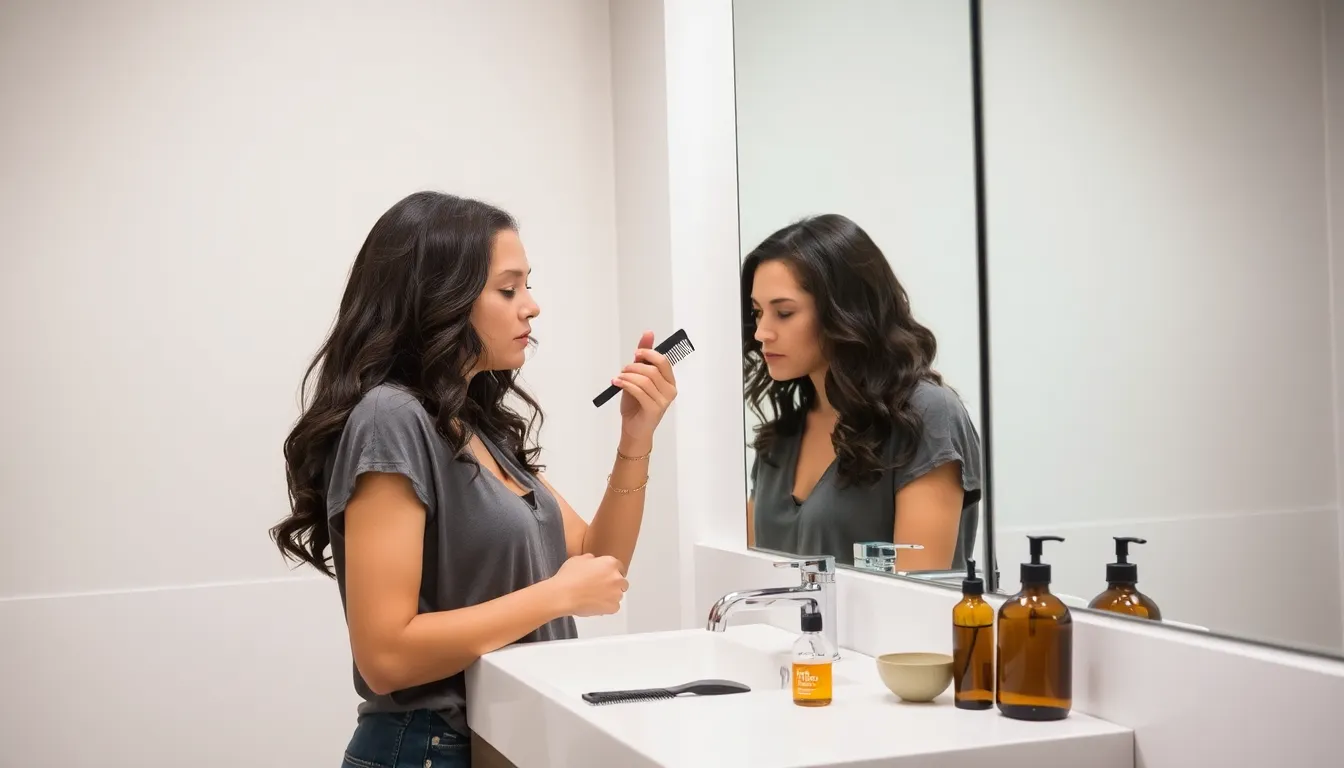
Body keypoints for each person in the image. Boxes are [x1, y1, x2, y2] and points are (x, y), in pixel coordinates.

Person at [270, 191, 677, 768]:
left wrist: (636, 440)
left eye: (527, 286)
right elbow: (384, 655)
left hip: (501, 743)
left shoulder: (477, 428)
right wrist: (554, 596)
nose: (531, 306)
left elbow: (600, 563)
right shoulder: (391, 418)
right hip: (427, 749)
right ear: (440, 299)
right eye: (508, 289)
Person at [742, 213, 981, 572]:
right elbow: (750, 569)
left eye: (784, 313)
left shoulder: (928, 415)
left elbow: (919, 591)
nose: (762, 332)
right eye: (758, 313)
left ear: (845, 312)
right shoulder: (780, 440)